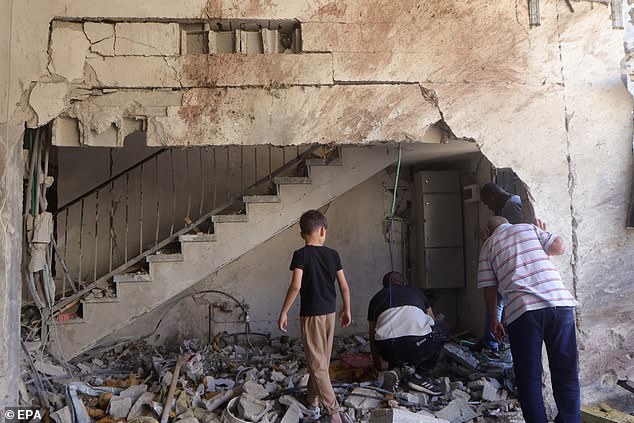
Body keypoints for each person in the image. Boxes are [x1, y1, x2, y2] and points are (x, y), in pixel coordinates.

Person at [477, 216, 580, 423]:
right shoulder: (529, 229)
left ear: (488, 232)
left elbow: (490, 291)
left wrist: (494, 321)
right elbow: (559, 248)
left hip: (522, 313)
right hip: (559, 305)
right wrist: (544, 235)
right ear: (509, 223)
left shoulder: (488, 246)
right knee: (566, 372)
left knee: (529, 378)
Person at [278, 210, 351, 423]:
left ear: (302, 235)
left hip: (311, 315)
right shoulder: (333, 254)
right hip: (329, 313)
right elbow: (344, 287)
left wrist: (284, 311)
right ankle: (312, 399)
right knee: (321, 362)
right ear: (322, 231)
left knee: (317, 364)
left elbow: (296, 285)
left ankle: (334, 413)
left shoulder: (300, 255)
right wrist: (346, 309)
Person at [367, 271, 450, 396]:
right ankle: (420, 375)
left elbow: (372, 334)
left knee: (393, 338)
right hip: (416, 344)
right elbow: (432, 320)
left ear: (384, 286)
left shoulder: (376, 298)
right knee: (442, 327)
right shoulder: (416, 291)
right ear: (404, 283)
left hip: (387, 348)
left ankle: (395, 368)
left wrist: (378, 363)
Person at [479, 182, 524, 352]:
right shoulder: (510, 204)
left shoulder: (512, 206)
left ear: (492, 197)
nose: (489, 208)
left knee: (495, 302)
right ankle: (492, 341)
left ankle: (492, 343)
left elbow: (513, 237)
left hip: (511, 267)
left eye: (487, 203)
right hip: (510, 266)